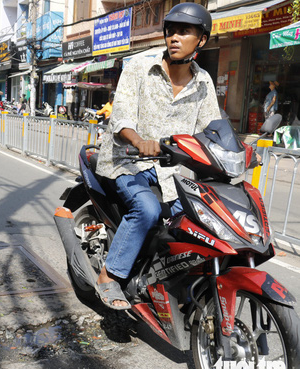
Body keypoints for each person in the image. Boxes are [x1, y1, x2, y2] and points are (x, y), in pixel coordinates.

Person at [94, 3, 221, 310]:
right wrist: (139, 141)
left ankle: (165, 277)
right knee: (148, 210)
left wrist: (242, 151)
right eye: (171, 31)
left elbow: (213, 127)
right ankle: (108, 275)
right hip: (127, 161)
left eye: (185, 31)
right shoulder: (139, 65)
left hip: (172, 171)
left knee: (201, 217)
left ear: (201, 40)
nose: (174, 37)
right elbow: (121, 116)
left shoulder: (203, 82)